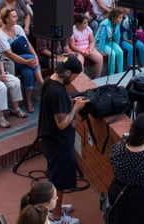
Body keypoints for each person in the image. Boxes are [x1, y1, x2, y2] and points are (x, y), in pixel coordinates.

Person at [37, 56, 89, 224]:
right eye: (73, 76)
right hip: (58, 142)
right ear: (67, 72)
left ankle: (56, 207)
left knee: (55, 177)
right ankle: (58, 216)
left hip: (51, 141)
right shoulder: (57, 91)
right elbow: (62, 123)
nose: (73, 79)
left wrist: (69, 102)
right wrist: (75, 108)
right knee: (58, 181)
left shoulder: (49, 82)